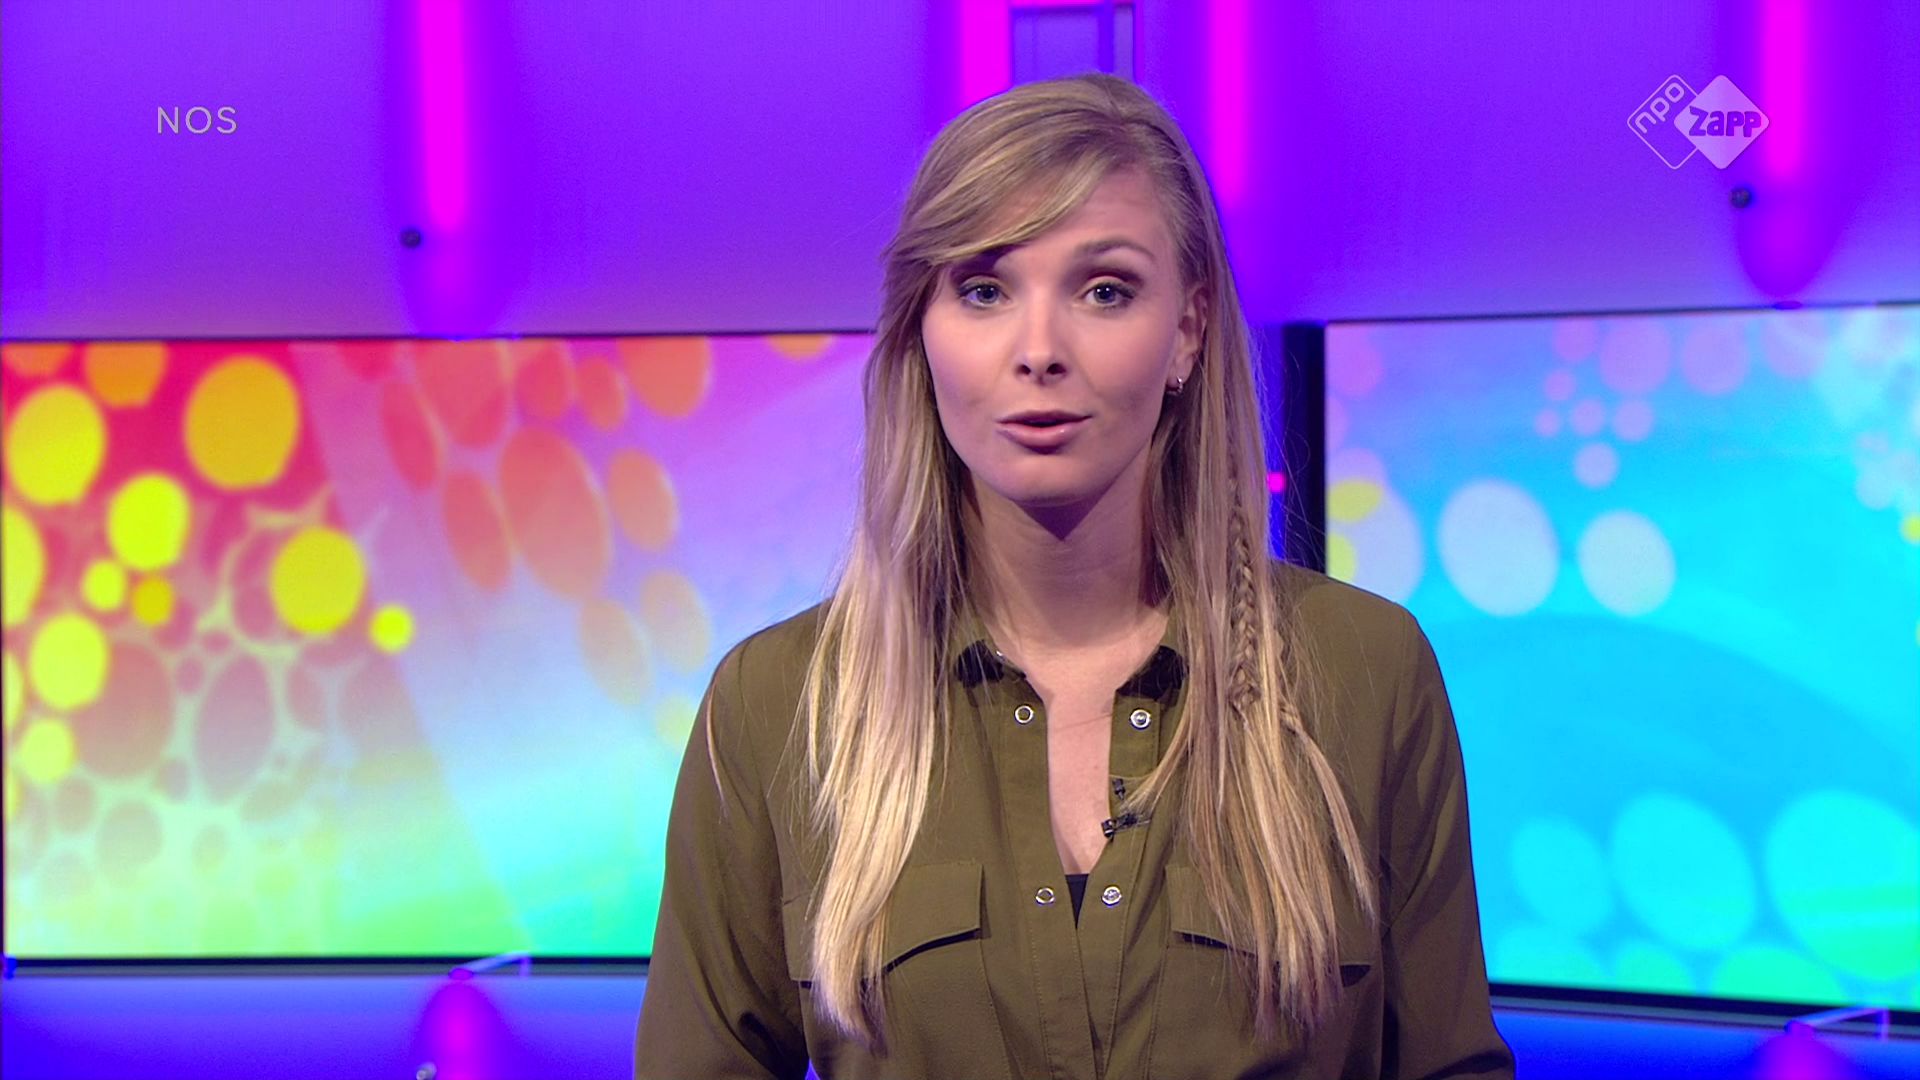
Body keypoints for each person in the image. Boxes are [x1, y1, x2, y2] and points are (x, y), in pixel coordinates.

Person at [635, 73, 1514, 1079]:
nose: (1040, 351)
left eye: (1104, 290)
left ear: (1188, 330)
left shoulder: (1366, 667)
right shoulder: (777, 704)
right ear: (920, 332)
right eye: (984, 289)